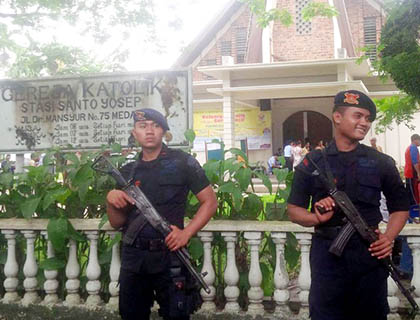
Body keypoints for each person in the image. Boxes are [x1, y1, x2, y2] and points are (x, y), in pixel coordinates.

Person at [287, 90, 409, 320]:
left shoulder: (380, 162)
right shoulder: (312, 161)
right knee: (326, 314)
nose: (364, 123)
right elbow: (293, 210)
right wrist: (315, 218)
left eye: (368, 119)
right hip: (328, 255)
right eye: (358, 116)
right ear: (337, 117)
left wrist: (388, 238)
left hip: (369, 254)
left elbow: (400, 207)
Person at [106, 108, 218, 320]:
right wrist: (111, 200)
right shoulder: (127, 170)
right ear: (134, 132)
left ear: (164, 132)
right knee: (131, 315)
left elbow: (210, 202)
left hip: (170, 256)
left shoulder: (183, 162)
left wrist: (187, 233)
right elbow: (116, 222)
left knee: (176, 315)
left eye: (156, 126)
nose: (149, 131)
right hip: (134, 258)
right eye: (143, 126)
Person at [404, 134, 420, 205]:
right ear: (415, 140)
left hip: (410, 173)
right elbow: (415, 162)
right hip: (411, 173)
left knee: (411, 192)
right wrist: (419, 173)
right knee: (413, 194)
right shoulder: (413, 148)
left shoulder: (410, 148)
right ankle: (415, 209)